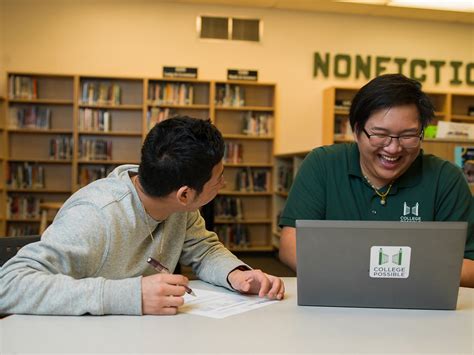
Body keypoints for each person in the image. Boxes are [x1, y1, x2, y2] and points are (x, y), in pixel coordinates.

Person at [0, 116, 285, 315]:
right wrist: (130, 296)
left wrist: (236, 274)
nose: (223, 184)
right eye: (219, 179)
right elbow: (9, 285)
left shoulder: (178, 206)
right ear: (185, 194)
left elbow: (203, 248)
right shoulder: (95, 216)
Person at [278, 74, 474, 287]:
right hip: (336, 296)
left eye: (408, 135)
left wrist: (376, 273)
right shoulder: (322, 164)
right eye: (380, 134)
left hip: (418, 308)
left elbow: (470, 267)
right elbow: (291, 247)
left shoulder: (446, 178)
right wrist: (399, 271)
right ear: (356, 131)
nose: (393, 148)